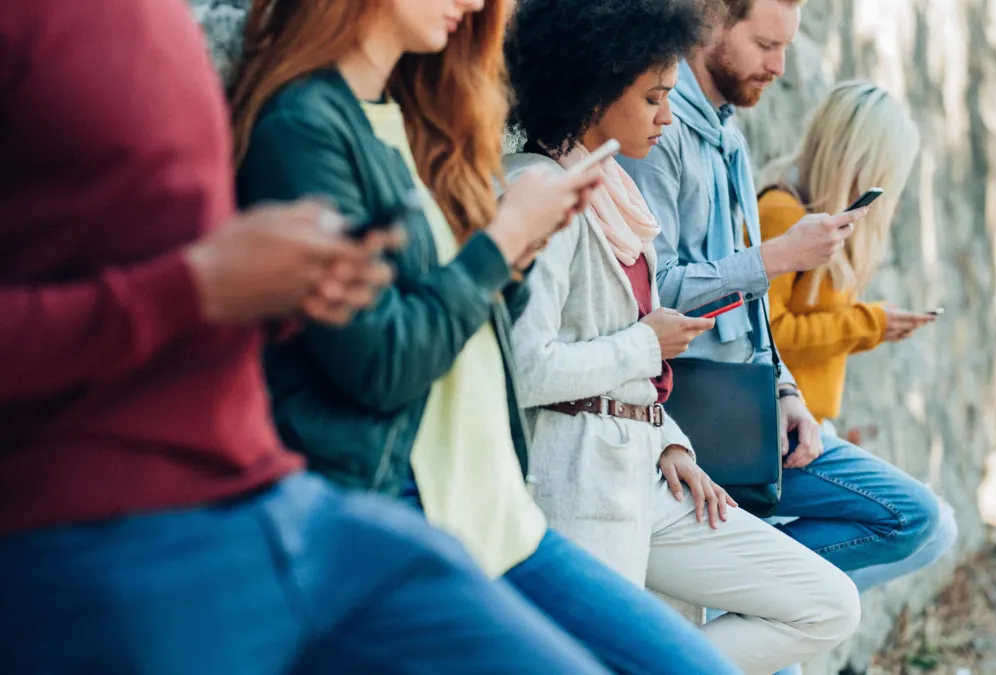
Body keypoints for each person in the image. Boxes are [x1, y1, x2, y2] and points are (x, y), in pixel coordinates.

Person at [0, 1, 616, 673]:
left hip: (284, 499)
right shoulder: (298, 116)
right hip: (114, 529)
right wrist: (198, 287)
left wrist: (281, 288)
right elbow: (367, 352)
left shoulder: (170, 25)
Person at [232, 0, 740, 672]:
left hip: (500, 509)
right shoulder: (304, 129)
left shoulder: (411, 124)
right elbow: (382, 361)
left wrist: (519, 251)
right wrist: (503, 244)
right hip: (413, 517)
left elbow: (469, 327)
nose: (475, 4)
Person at [503, 1, 861, 673]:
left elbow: (615, 340)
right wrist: (645, 345)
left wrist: (665, 436)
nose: (666, 117)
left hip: (648, 466)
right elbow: (524, 367)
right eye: (652, 98)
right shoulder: (537, 193)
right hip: (579, 485)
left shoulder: (610, 195)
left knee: (827, 602)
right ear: (594, 91)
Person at [618, 0, 943, 595]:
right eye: (767, 46)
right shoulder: (658, 136)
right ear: (711, 23)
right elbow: (646, 295)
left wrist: (785, 388)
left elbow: (752, 308)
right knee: (914, 517)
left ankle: (741, 598)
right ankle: (742, 592)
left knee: (922, 523)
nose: (780, 66)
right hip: (691, 417)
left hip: (750, 407)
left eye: (786, 47)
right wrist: (779, 256)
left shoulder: (728, 138)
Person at [758, 81, 959, 592]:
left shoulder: (822, 220)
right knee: (920, 521)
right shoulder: (784, 212)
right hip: (774, 428)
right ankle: (744, 586)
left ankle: (756, 592)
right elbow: (770, 330)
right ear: (856, 158)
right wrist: (870, 324)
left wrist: (874, 325)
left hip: (804, 425)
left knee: (933, 528)